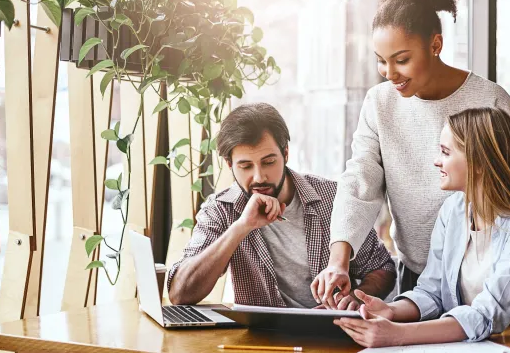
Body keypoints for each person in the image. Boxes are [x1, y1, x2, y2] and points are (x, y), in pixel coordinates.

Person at [312, 0, 510, 308]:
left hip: (488, 275)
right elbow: (359, 183)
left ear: (435, 45)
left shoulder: (488, 99)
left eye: (401, 59)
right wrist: (337, 261)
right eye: (381, 60)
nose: (389, 72)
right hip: (423, 280)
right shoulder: (379, 103)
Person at [334, 107, 510, 353]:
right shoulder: (454, 211)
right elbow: (432, 292)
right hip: (468, 344)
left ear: (479, 162)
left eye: (445, 152)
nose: (437, 161)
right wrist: (390, 311)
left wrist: (397, 335)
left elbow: (486, 315)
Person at [167, 103, 396, 309]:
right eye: (245, 166)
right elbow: (180, 293)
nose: (259, 177)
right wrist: (241, 227)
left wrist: (356, 298)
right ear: (229, 164)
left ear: (285, 153)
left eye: (268, 162)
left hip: (330, 334)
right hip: (261, 340)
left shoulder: (333, 198)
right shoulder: (220, 210)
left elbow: (382, 268)